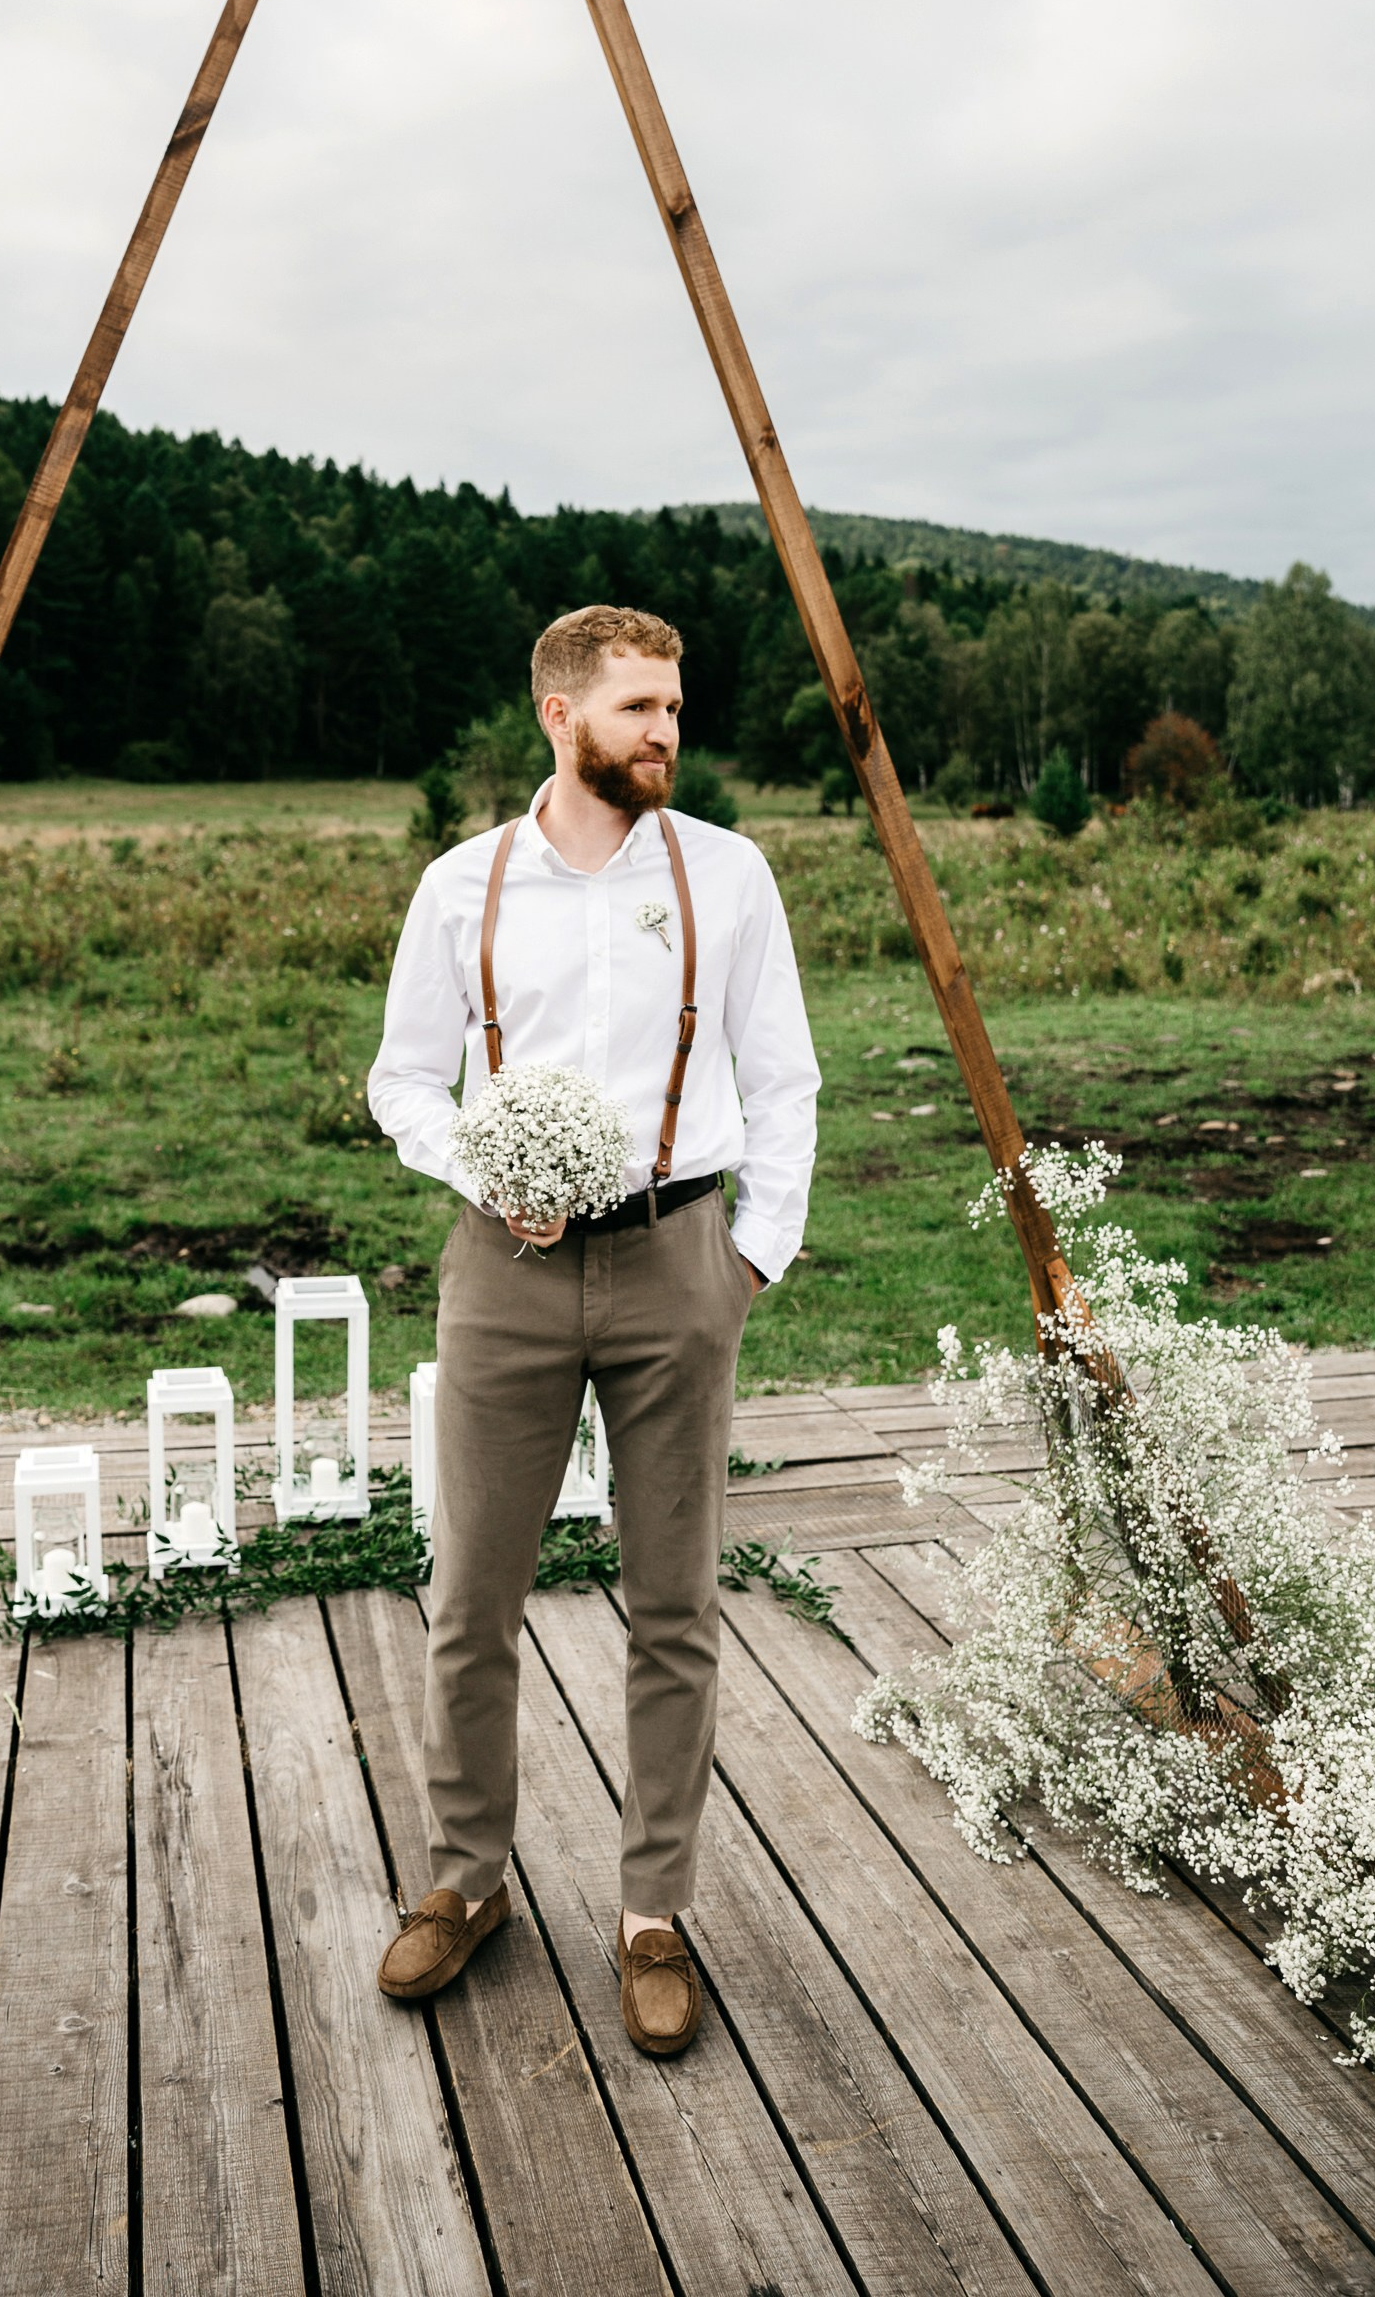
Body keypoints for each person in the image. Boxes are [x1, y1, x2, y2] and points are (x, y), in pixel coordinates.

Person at [366, 603, 820, 2056]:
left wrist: (752, 1252)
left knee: (674, 1605)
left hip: (681, 1258)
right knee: (470, 1597)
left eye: (674, 706)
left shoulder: (731, 877)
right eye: (638, 709)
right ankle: (464, 1881)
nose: (666, 732)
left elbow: (786, 1072)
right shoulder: (461, 888)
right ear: (561, 717)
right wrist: (484, 1163)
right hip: (501, 1270)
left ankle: (651, 1914)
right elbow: (403, 1084)